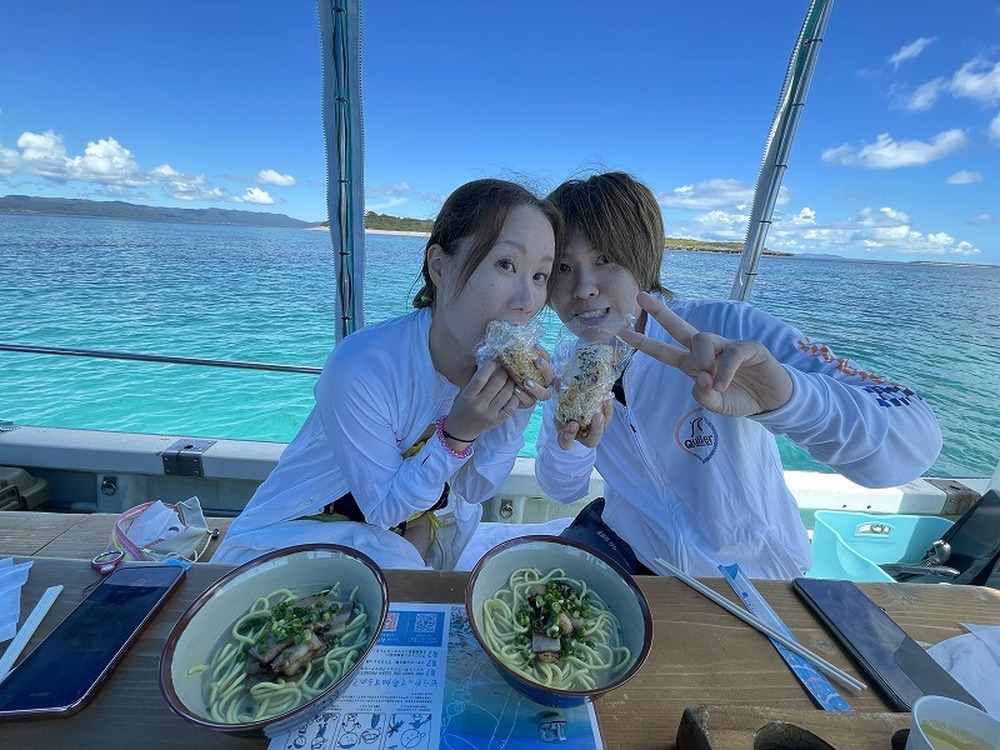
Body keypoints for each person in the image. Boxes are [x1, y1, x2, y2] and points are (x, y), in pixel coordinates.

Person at [535, 171, 942, 579]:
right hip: (636, 552)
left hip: (755, 575)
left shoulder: (727, 328)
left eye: (604, 259)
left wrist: (789, 400)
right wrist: (575, 445)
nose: (583, 288)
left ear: (641, 258)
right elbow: (562, 489)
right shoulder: (569, 362)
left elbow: (911, 444)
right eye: (563, 267)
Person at [213, 178, 561, 570]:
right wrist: (456, 436)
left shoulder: (485, 370)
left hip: (401, 533)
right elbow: (385, 509)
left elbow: (475, 487)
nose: (526, 301)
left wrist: (515, 411)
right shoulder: (361, 366)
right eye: (506, 264)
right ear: (440, 266)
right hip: (295, 533)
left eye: (540, 276)